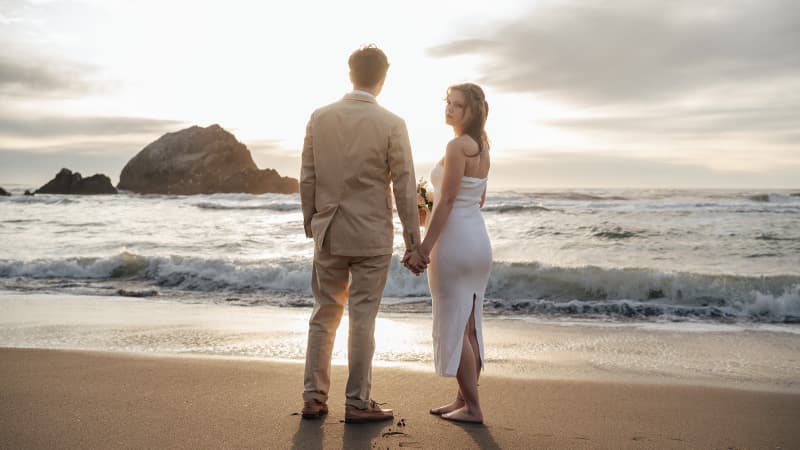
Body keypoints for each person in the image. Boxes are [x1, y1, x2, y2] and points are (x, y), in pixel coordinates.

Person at [300, 44, 425, 424]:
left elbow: (308, 177)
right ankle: (357, 402)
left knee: (324, 314)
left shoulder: (320, 117)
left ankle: (313, 398)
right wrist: (413, 242)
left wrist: (312, 224)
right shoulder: (392, 123)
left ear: (350, 74)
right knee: (363, 318)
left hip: (329, 230)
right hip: (371, 235)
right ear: (382, 79)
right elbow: (404, 186)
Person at [404, 83, 491, 424]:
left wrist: (423, 249)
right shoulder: (483, 146)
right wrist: (428, 201)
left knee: (455, 327)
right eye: (448, 103)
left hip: (454, 243)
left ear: (473, 111)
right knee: (469, 326)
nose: (450, 109)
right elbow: (477, 198)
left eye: (458, 105)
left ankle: (473, 407)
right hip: (477, 241)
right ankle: (463, 399)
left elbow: (449, 201)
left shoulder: (456, 147)